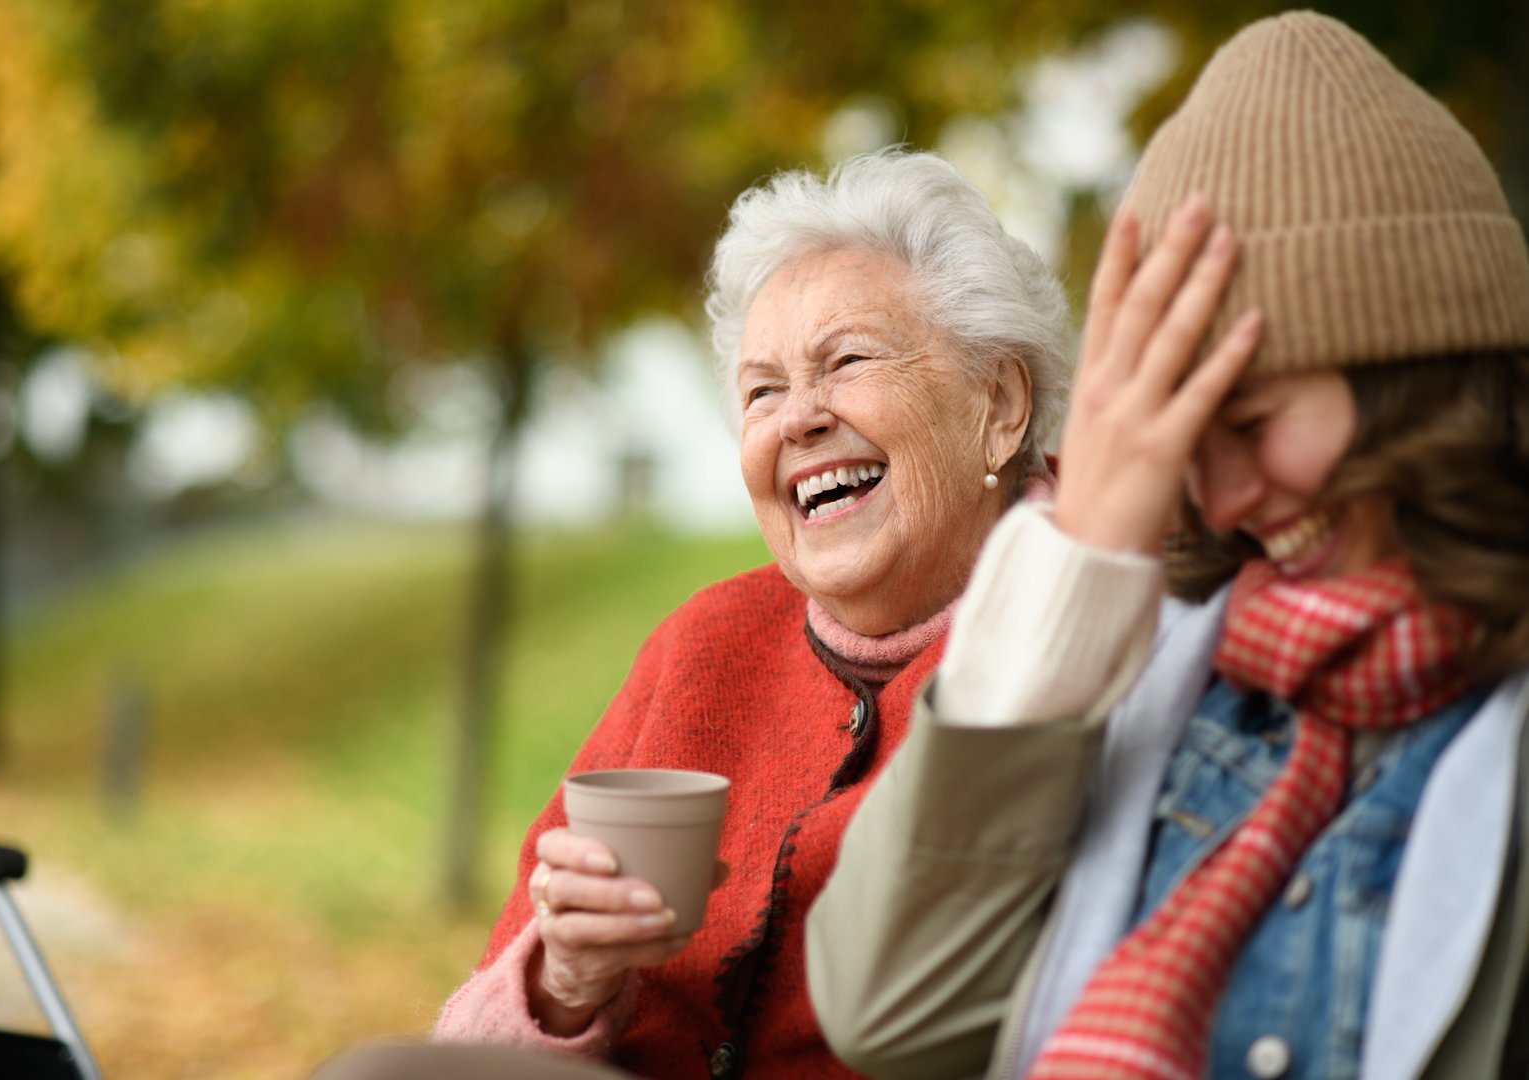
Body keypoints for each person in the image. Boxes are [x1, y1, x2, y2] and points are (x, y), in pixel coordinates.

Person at [807, 12, 1529, 1080]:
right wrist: (1074, 574)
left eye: (1254, 422)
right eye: (1185, 440)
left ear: (1419, 390)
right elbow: (892, 1018)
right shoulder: (1165, 671)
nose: (1226, 498)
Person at [433, 149, 1072, 1079]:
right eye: (762, 390)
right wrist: (565, 981)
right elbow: (481, 1029)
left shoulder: (1102, 630)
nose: (798, 419)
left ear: (1001, 403)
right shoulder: (706, 644)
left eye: (848, 360)